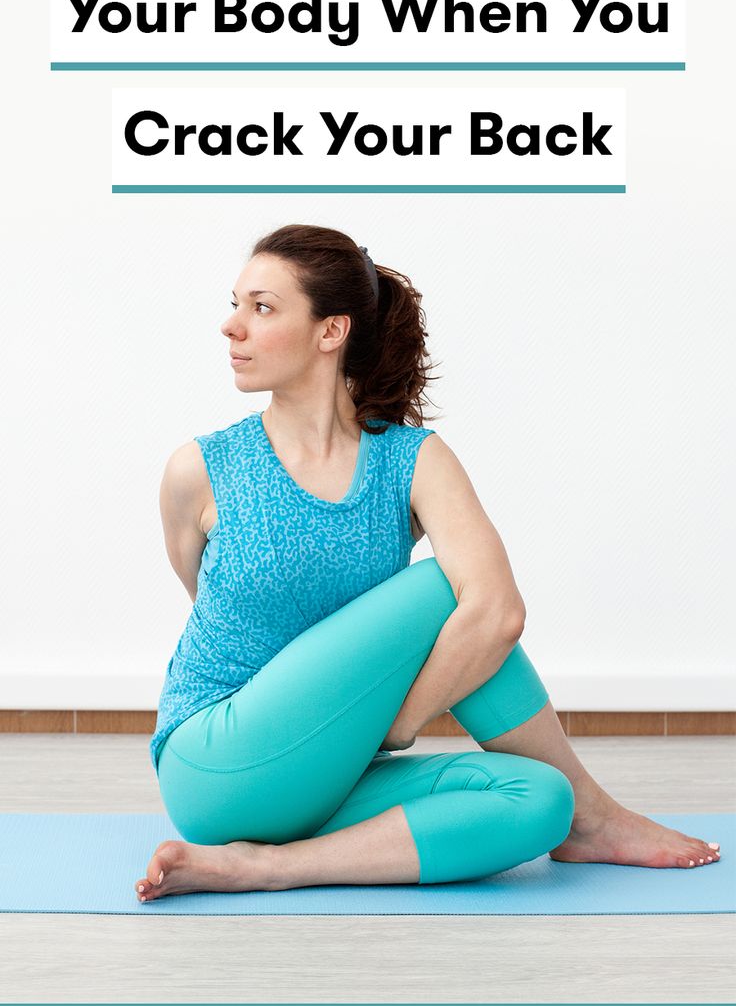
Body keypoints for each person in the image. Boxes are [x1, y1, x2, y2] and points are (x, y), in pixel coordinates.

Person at [135, 224, 720, 901]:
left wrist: (378, 726)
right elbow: (202, 597)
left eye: (261, 308)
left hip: (332, 769)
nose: (230, 327)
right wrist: (397, 723)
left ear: (331, 332)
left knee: (537, 799)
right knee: (453, 587)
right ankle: (599, 813)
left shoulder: (409, 460)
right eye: (236, 303)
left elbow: (499, 616)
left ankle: (268, 866)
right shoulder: (202, 469)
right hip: (216, 764)